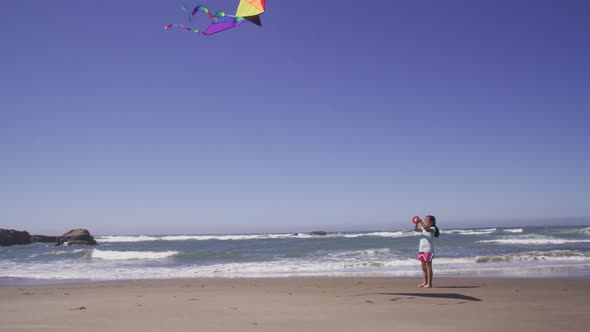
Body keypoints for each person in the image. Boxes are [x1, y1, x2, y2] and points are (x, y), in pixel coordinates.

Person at [414, 215, 440, 288]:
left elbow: (427, 229)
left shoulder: (433, 228)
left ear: (432, 222)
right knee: (423, 267)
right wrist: (416, 223)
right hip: (421, 250)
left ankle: (429, 283)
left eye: (427, 220)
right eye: (425, 220)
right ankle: (424, 282)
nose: (425, 221)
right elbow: (416, 229)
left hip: (428, 250)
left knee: (428, 267)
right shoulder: (423, 228)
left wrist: (421, 222)